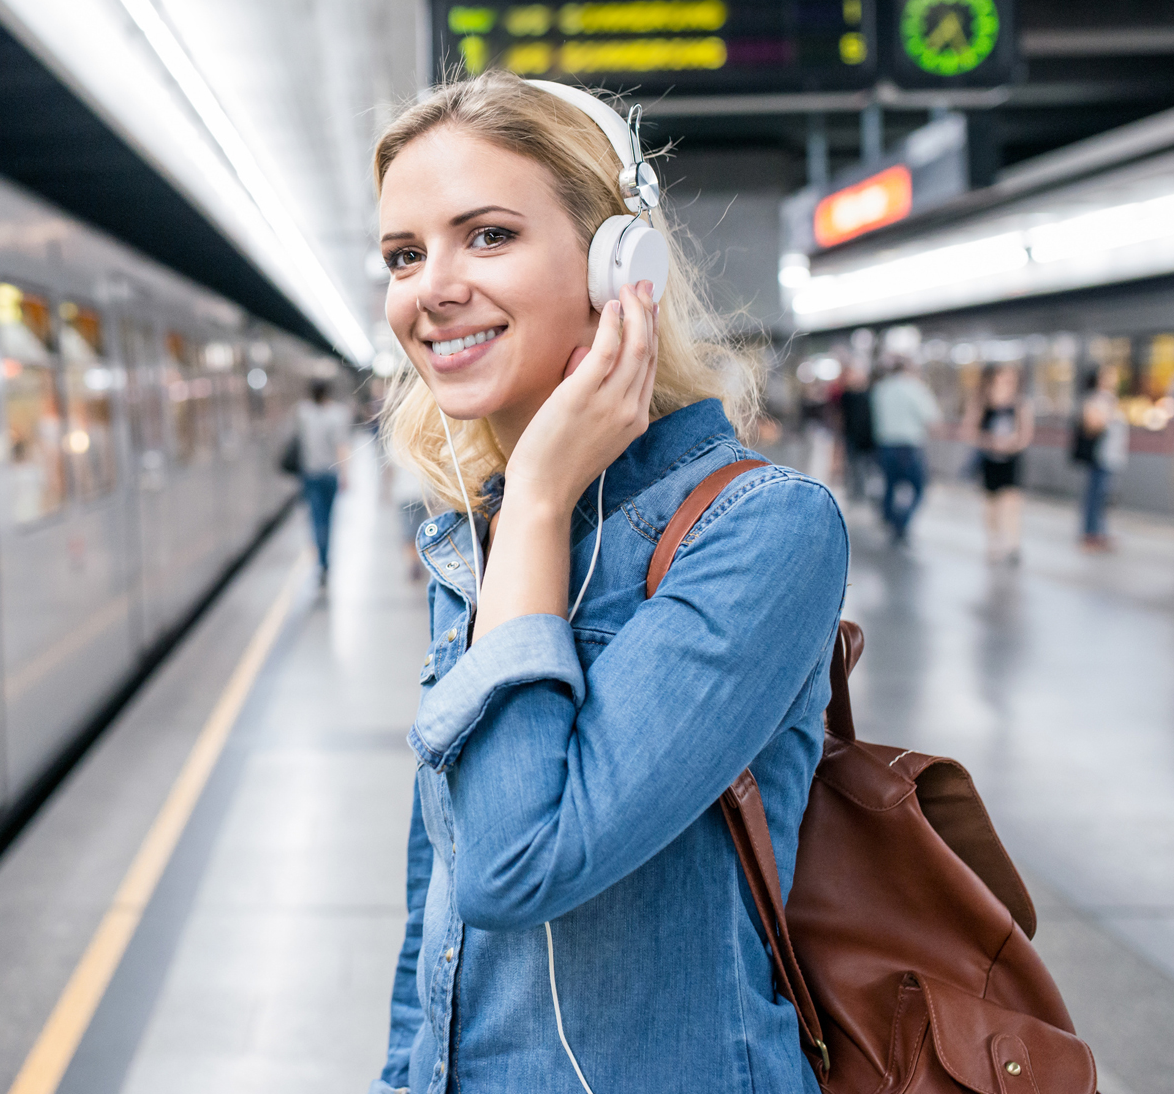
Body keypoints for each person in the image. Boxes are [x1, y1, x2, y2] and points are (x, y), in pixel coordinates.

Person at [369, 70, 848, 1094]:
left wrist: (539, 494)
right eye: (402, 254)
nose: (430, 286)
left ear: (613, 262)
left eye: (486, 236)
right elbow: (439, 894)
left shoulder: (760, 530)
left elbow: (512, 866)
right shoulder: (471, 539)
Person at [963, 363, 1034, 563]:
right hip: (989, 459)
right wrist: (990, 441)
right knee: (991, 504)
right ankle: (994, 541)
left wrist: (1013, 444)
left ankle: (1013, 544)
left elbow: (1025, 433)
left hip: (1012, 460)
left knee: (1012, 502)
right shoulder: (982, 402)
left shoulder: (1020, 403)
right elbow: (970, 431)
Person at [868, 355, 941, 544]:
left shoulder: (880, 389)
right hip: (909, 446)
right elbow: (931, 417)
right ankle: (901, 523)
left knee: (890, 486)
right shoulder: (915, 388)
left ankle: (890, 518)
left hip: (885, 445)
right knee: (919, 488)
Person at [295, 379, 352, 583]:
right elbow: (341, 446)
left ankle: (322, 562)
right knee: (328, 519)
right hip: (330, 475)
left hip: (310, 475)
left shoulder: (303, 413)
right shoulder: (337, 414)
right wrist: (345, 475)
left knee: (317, 519)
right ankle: (324, 559)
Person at [1072, 363, 1128, 552]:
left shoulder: (1110, 398)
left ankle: (1100, 531)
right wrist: (1105, 418)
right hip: (1100, 457)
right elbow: (1091, 425)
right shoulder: (1095, 399)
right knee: (1095, 496)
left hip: (1113, 457)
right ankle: (1090, 533)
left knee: (1105, 497)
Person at [385, 431, 430, 581]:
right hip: (423, 492)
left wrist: (387, 491)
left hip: (403, 493)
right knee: (420, 528)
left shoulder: (395, 443)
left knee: (407, 531)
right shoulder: (424, 442)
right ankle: (417, 558)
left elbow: (390, 470)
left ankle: (412, 561)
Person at [838, 360, 875, 506]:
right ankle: (855, 492)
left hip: (867, 437)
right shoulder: (846, 396)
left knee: (866, 466)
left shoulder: (869, 394)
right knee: (853, 465)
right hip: (852, 436)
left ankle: (863, 492)